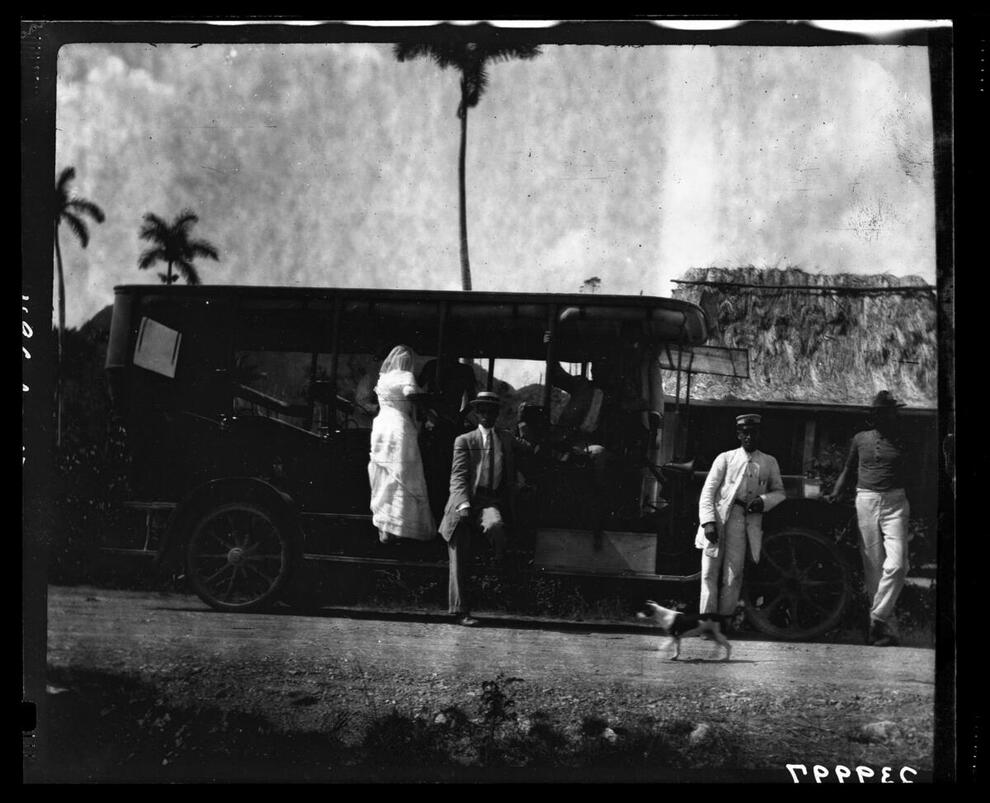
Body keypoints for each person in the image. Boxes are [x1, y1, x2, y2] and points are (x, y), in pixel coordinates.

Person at [826, 390, 910, 647]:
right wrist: (836, 492)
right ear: (873, 416)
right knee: (873, 568)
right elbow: (848, 469)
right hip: (866, 500)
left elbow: (916, 472)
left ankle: (877, 617)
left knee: (897, 565)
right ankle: (881, 631)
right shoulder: (860, 439)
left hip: (895, 502)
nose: (886, 417)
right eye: (880, 413)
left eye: (889, 412)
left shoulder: (903, 439)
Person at [696, 413, 786, 625]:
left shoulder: (769, 462)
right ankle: (707, 621)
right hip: (718, 518)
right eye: (745, 433)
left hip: (743, 520)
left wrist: (763, 501)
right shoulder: (725, 458)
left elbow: (780, 492)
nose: (749, 438)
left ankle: (725, 620)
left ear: (759, 434)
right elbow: (708, 492)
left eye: (753, 433)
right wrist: (708, 522)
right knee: (709, 571)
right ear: (738, 435)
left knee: (733, 573)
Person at [438, 391, 517, 626]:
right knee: (459, 549)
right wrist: (463, 505)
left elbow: (527, 447)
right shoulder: (465, 440)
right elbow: (458, 477)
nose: (486, 415)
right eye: (481, 410)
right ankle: (461, 610)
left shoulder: (506, 438)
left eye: (491, 410)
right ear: (476, 413)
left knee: (495, 526)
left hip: (489, 501)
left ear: (497, 413)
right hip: (465, 501)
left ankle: (497, 562)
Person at [367, 345, 435, 544]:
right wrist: (429, 413)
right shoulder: (406, 376)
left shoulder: (384, 378)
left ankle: (385, 527)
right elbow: (411, 395)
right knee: (403, 473)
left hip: (380, 426)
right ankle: (399, 526)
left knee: (385, 475)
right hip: (398, 427)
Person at [417, 355, 477, 521]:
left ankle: (443, 514)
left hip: (450, 425)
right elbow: (417, 389)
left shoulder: (465, 370)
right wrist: (428, 412)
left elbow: (471, 398)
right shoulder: (431, 366)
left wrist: (459, 416)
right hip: (433, 424)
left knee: (446, 470)